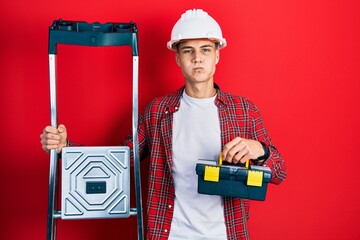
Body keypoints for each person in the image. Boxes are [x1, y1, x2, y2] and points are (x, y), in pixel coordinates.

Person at [40, 9, 286, 240]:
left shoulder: (244, 110)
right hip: (170, 234)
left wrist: (260, 151)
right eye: (188, 51)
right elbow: (121, 161)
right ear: (178, 58)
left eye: (205, 50)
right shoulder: (159, 111)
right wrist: (65, 147)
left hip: (226, 233)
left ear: (217, 55)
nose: (197, 58)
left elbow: (279, 171)